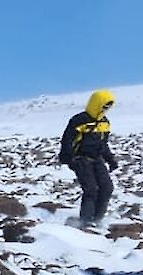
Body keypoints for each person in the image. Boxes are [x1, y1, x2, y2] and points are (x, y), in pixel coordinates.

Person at [58, 90, 119, 229]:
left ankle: (97, 220)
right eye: (104, 106)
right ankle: (85, 223)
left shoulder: (105, 122)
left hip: (97, 158)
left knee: (107, 188)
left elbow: (103, 144)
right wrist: (69, 159)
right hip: (80, 159)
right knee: (91, 189)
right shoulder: (79, 120)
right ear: (97, 103)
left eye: (108, 107)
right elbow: (67, 141)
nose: (106, 109)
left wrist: (111, 160)